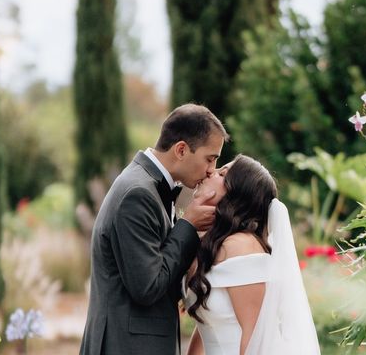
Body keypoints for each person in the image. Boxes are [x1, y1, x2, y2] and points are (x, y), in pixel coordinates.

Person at [79, 104, 230, 355]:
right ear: (181, 149)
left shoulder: (148, 186)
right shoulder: (138, 194)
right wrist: (188, 226)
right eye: (210, 158)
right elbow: (147, 287)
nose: (211, 170)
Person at [185, 155, 320, 355]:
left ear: (235, 195)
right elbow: (207, 323)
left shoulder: (242, 247)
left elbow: (255, 336)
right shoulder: (212, 246)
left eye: (222, 174)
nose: (211, 172)